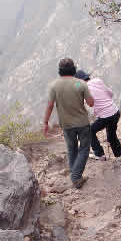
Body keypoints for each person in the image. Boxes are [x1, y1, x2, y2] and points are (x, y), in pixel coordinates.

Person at [43, 58, 94, 189]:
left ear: (60, 71)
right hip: (82, 123)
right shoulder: (81, 84)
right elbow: (91, 103)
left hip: (66, 124)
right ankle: (76, 177)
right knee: (84, 149)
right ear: (74, 69)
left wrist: (45, 122)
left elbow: (49, 106)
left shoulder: (54, 86)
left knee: (72, 149)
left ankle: (75, 175)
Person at [76, 70, 121, 160]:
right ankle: (120, 155)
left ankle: (99, 154)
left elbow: (86, 103)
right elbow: (110, 94)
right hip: (115, 112)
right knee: (111, 136)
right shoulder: (98, 81)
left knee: (89, 132)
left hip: (106, 117)